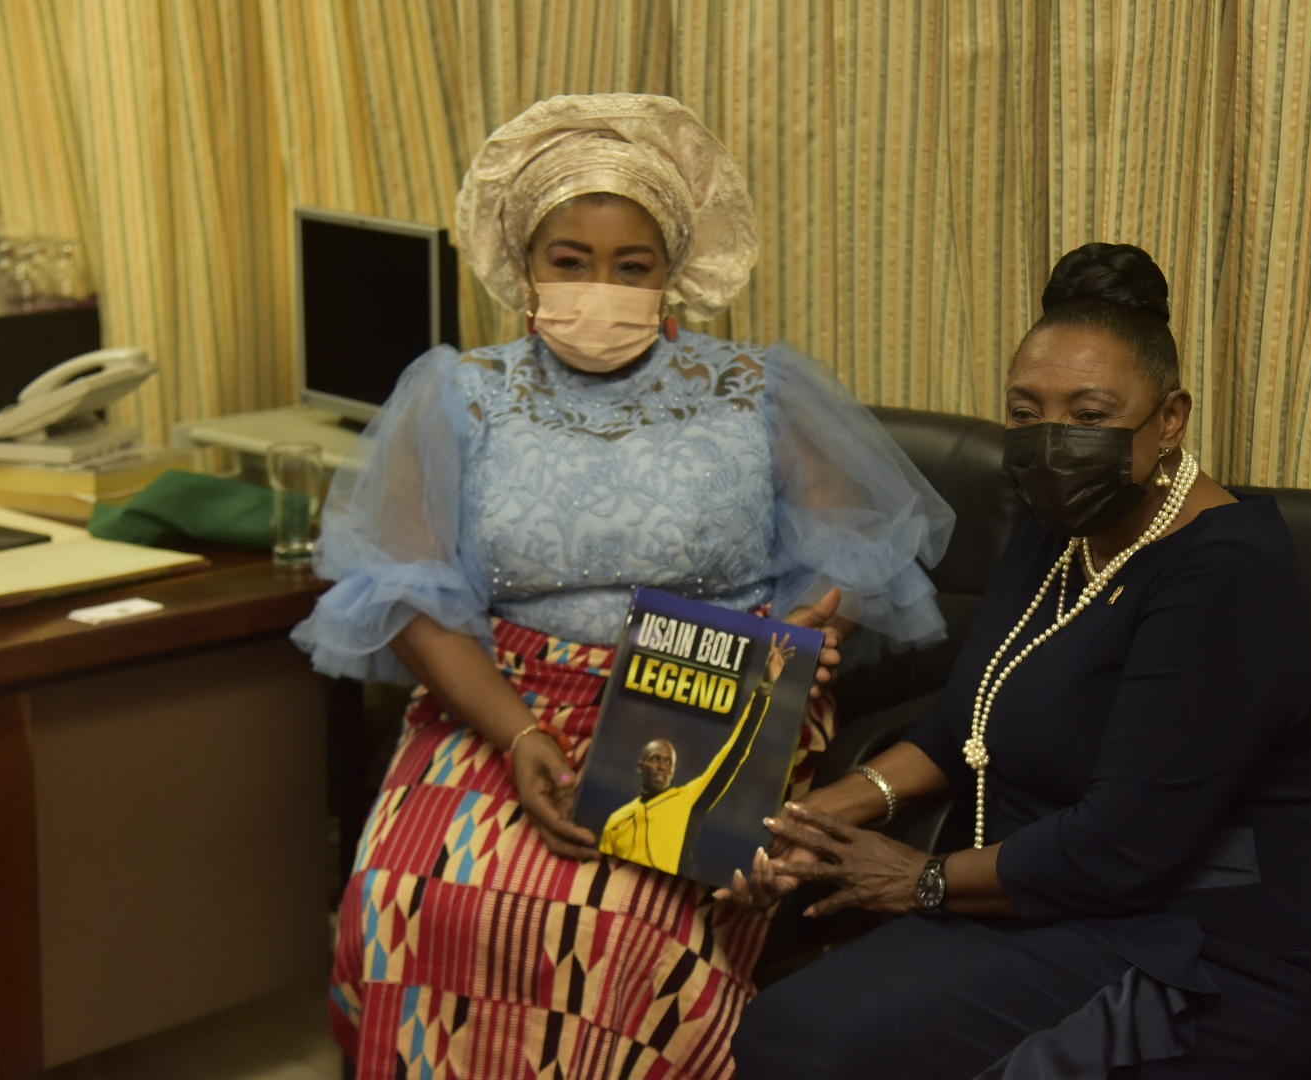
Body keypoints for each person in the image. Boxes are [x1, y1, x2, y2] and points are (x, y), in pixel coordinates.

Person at [291, 93, 953, 1080]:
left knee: (616, 940)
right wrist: (516, 735)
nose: (600, 287)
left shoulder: (756, 391)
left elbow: (853, 555)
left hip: (700, 703)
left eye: (631, 267)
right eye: (571, 261)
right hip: (497, 702)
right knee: (411, 902)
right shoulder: (455, 391)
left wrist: (815, 631)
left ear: (672, 275)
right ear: (526, 268)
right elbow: (410, 594)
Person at [729, 243, 1311, 1079]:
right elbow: (968, 724)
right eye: (1026, 412)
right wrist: (823, 818)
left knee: (814, 1044)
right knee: (792, 1031)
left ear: (1171, 419)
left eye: (1089, 416)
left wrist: (920, 880)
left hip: (1220, 942)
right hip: (1047, 892)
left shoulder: (1225, 575)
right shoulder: (1060, 522)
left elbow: (1124, 847)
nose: (1052, 443)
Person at [600, 636, 794, 873]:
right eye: (655, 759)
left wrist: (765, 687)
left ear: (673, 769)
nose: (661, 766)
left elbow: (735, 752)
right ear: (640, 766)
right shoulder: (616, 820)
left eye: (667, 761)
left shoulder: (687, 799)